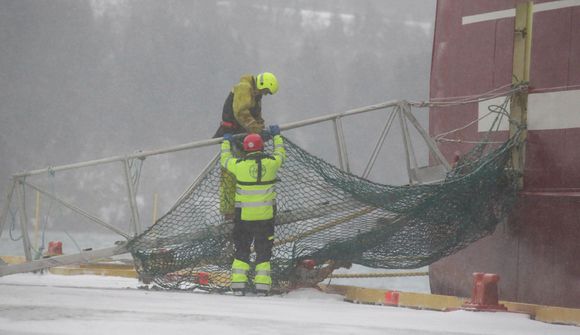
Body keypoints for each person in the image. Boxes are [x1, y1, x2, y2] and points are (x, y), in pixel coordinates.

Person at [220, 125, 285, 295]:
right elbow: (280, 154)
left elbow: (225, 160)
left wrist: (226, 143)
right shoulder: (271, 164)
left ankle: (238, 285)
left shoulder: (240, 166)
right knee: (263, 251)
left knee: (242, 249)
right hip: (265, 218)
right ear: (262, 147)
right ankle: (262, 287)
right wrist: (277, 136)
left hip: (244, 218)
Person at [213, 72, 279, 138]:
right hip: (230, 133)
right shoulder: (244, 88)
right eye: (266, 91)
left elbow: (257, 117)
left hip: (240, 133)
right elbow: (241, 112)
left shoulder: (256, 95)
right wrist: (258, 131)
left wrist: (262, 130)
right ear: (262, 84)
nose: (265, 94)